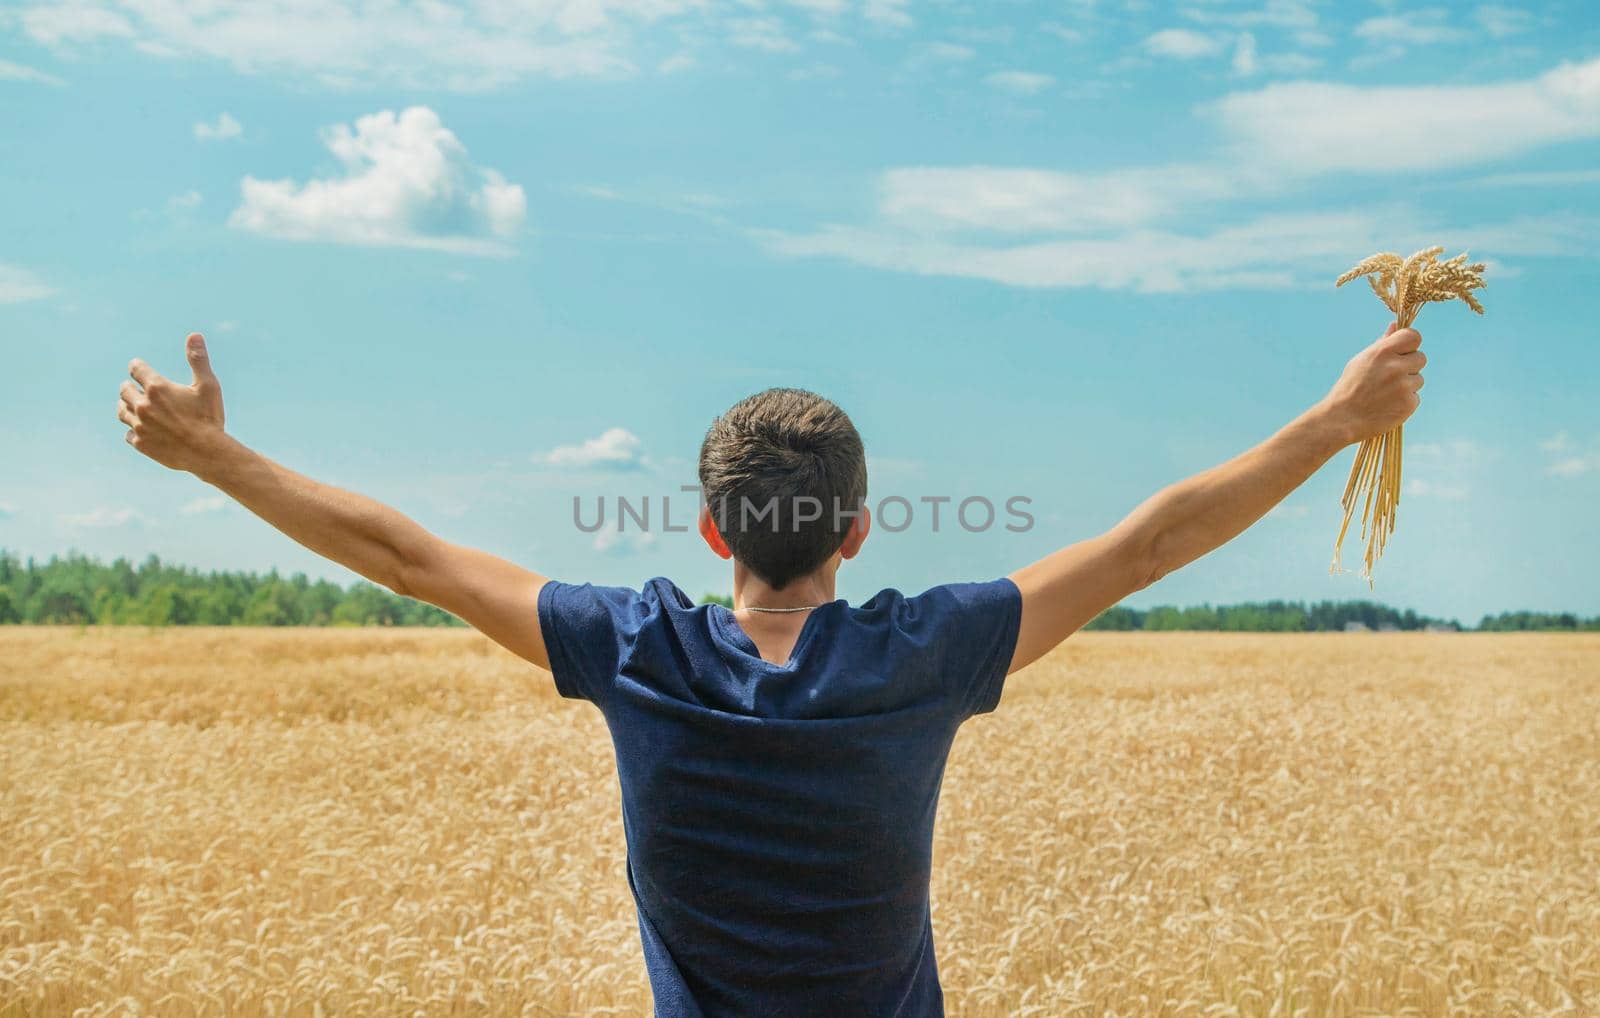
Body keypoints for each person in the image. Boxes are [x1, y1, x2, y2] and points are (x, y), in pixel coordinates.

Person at [116, 323, 1424, 1016]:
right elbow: (1150, 543)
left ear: (708, 529)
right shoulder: (932, 650)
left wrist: (217, 459)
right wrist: (1340, 416)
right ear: (857, 530)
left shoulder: (636, 648)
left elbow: (407, 555)